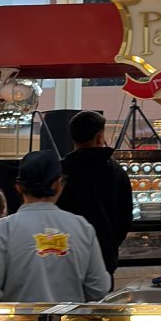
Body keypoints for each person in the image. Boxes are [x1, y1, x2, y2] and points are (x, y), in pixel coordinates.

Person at [0, 151, 110, 303]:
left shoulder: (3, 230)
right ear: (58, 185)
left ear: (18, 188)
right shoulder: (82, 227)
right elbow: (99, 289)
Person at [58, 111, 133, 283]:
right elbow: (125, 218)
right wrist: (110, 244)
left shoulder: (61, 171)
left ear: (73, 137)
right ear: (100, 137)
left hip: (66, 258)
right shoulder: (116, 172)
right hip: (104, 258)